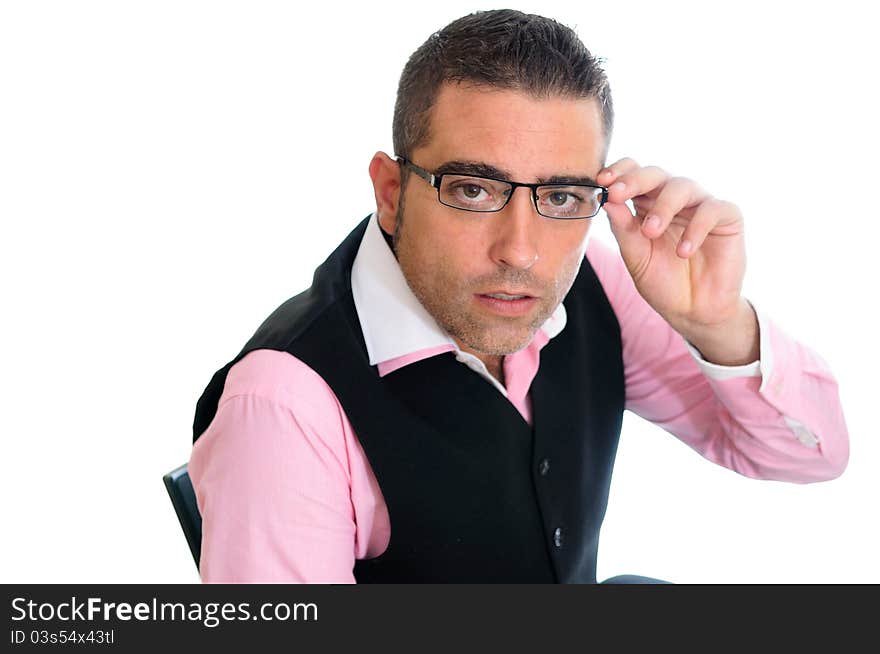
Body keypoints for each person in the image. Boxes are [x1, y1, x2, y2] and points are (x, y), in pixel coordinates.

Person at [188, 9, 849, 583]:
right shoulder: (283, 407)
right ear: (392, 192)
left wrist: (717, 325)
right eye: (474, 190)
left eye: (560, 197)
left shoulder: (596, 280)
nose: (521, 251)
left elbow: (807, 457)